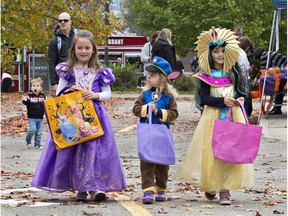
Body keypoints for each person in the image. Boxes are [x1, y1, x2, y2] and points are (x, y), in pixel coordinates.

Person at [32, 30, 126, 201]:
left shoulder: (100, 71)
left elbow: (107, 93)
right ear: (74, 50)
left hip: (95, 117)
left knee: (94, 151)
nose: (83, 51)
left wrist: (95, 95)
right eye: (80, 48)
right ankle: (80, 188)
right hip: (73, 117)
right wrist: (70, 90)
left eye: (87, 48)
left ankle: (95, 187)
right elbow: (59, 91)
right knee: (74, 152)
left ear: (93, 50)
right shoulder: (67, 70)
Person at [175, 27, 254, 205]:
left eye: (222, 51)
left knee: (229, 152)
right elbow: (204, 99)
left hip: (233, 116)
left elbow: (241, 92)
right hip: (212, 117)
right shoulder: (205, 76)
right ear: (210, 54)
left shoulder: (233, 73)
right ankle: (211, 184)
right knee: (212, 153)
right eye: (216, 51)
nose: (219, 54)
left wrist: (239, 98)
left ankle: (224, 190)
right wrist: (222, 102)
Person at [133, 56, 178, 204]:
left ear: (162, 79)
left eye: (152, 75)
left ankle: (160, 188)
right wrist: (147, 108)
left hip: (162, 133)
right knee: (146, 161)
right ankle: (148, 189)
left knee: (162, 163)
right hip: (147, 132)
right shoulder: (144, 95)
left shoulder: (168, 97)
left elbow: (174, 113)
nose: (148, 77)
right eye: (148, 75)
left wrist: (160, 113)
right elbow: (136, 109)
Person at [48, 12, 78, 93]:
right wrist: (54, 83)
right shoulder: (55, 41)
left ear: (70, 22)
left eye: (65, 20)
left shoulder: (79, 36)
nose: (63, 23)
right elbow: (52, 62)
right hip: (63, 77)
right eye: (60, 21)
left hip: (79, 74)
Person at [254, 48, 287, 114]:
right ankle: (277, 108)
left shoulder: (264, 56)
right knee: (279, 88)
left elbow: (263, 70)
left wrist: (257, 78)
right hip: (284, 69)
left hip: (285, 69)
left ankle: (277, 108)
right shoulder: (268, 54)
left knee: (278, 88)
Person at [22, 77, 47, 149]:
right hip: (32, 117)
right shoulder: (29, 97)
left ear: (41, 88)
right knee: (32, 130)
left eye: (37, 86)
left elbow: (46, 105)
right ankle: (28, 140)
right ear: (31, 88)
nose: (35, 87)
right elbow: (26, 102)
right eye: (33, 86)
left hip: (40, 117)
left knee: (39, 132)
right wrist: (24, 100)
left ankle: (37, 144)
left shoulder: (43, 97)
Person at [237, 36, 254, 117]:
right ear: (247, 46)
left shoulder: (235, 51)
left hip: (237, 78)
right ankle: (245, 116)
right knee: (246, 98)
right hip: (243, 79)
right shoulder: (242, 54)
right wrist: (249, 69)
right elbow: (243, 68)